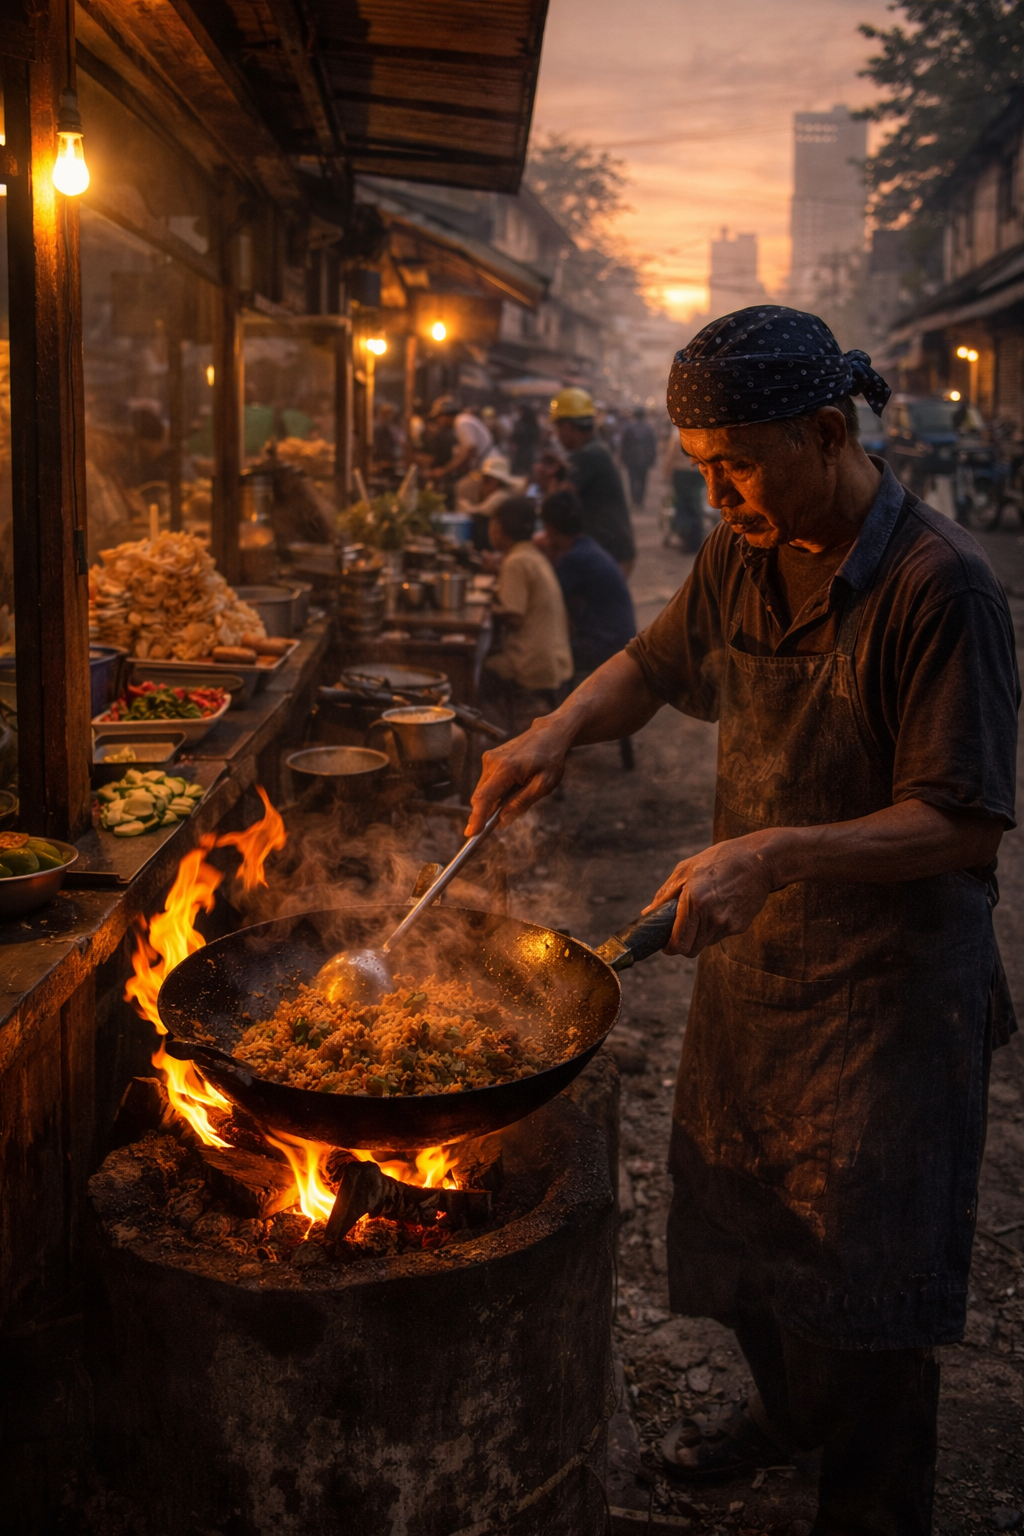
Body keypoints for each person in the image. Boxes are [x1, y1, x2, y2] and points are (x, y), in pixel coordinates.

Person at [467, 307, 1019, 1531]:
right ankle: (781, 1418)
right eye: (700, 471)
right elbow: (654, 670)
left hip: (888, 1003)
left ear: (826, 431)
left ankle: (867, 1503)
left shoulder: (943, 588)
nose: (716, 499)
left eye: (736, 467)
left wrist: (770, 851)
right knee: (746, 1240)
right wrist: (554, 727)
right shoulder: (743, 552)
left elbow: (961, 822)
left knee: (866, 1297)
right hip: (758, 980)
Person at [540, 487, 638, 768]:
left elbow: (547, 595)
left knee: (544, 655)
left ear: (549, 528)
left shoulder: (575, 559)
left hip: (606, 645)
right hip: (619, 640)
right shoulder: (587, 547)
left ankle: (558, 734)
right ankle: (563, 728)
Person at [483, 495, 574, 736]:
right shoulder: (531, 555)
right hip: (556, 658)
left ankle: (497, 735)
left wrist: (487, 607)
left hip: (532, 663)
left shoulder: (516, 561)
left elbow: (514, 617)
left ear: (499, 529)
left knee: (479, 669)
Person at [551, 387, 636, 575]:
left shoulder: (589, 454)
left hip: (610, 548)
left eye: (557, 428)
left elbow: (560, 503)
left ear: (567, 427)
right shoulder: (593, 450)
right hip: (612, 545)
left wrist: (548, 481)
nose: (556, 435)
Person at [620, 405, 658, 509]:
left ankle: (634, 500)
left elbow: (624, 445)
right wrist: (652, 458)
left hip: (631, 459)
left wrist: (623, 458)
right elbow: (652, 446)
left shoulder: (628, 428)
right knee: (643, 480)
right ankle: (640, 501)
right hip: (644, 459)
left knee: (632, 480)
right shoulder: (648, 429)